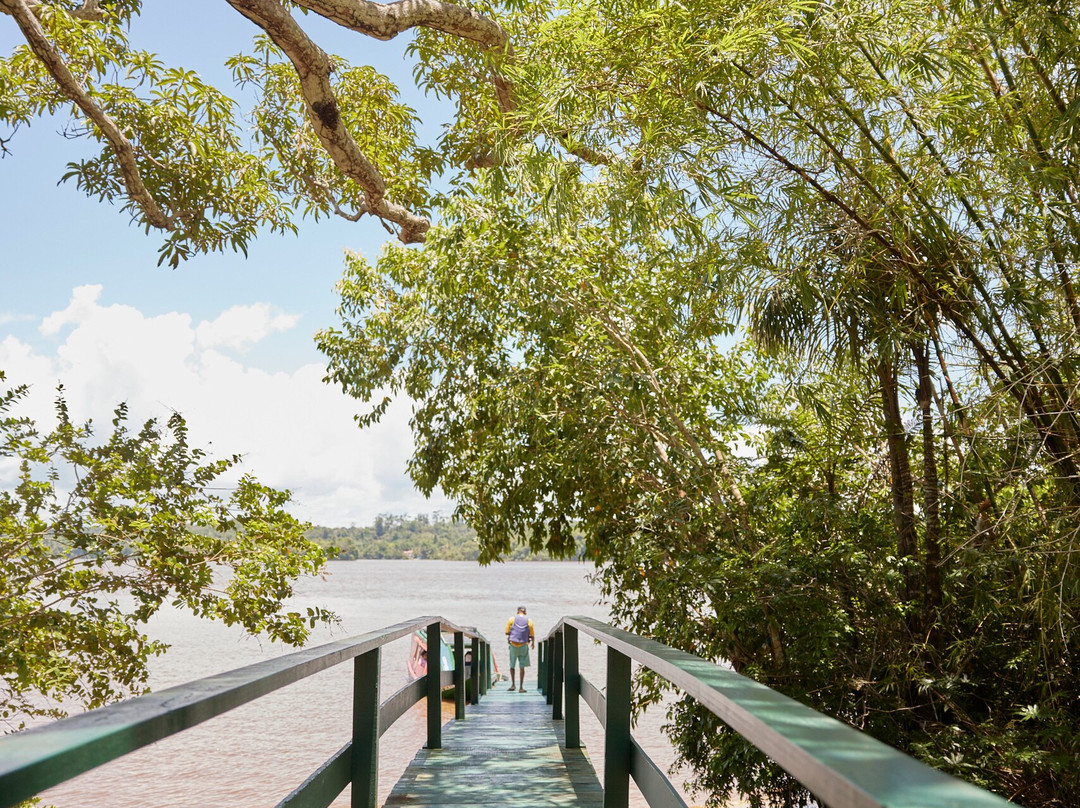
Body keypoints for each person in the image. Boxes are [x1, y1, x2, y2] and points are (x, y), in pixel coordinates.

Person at [505, 605, 535, 692]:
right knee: (522, 667)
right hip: (524, 645)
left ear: (517, 612)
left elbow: (507, 632)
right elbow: (532, 633)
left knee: (512, 665)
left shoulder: (512, 619)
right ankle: (521, 687)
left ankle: (513, 685)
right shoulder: (529, 620)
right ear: (525, 612)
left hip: (513, 645)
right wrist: (533, 643)